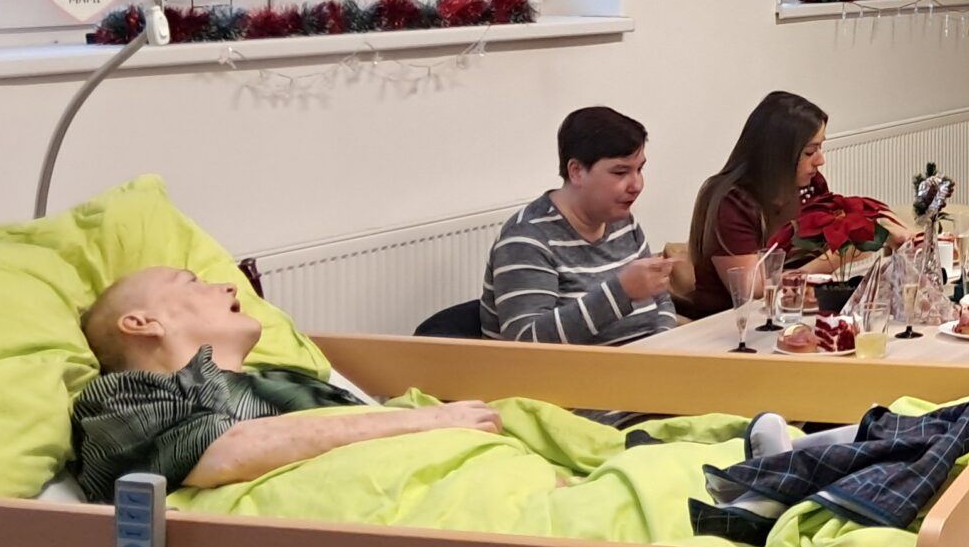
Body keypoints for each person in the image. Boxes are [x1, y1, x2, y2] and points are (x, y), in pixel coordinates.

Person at [71, 267, 502, 502]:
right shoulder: (122, 397)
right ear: (141, 323)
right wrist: (425, 421)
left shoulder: (284, 380)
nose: (228, 285)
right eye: (192, 282)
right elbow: (224, 453)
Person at [481, 106, 680, 344]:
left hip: (642, 361)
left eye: (639, 169)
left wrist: (661, 345)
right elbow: (526, 341)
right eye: (620, 172)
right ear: (576, 172)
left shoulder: (624, 223)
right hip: (575, 369)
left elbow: (661, 301)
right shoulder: (527, 238)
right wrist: (621, 292)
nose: (636, 185)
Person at [682, 91, 843, 318]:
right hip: (733, 322)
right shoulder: (732, 201)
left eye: (820, 147)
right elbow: (753, 290)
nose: (820, 160)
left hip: (794, 311)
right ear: (777, 153)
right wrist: (833, 260)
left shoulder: (812, 185)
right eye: (809, 151)